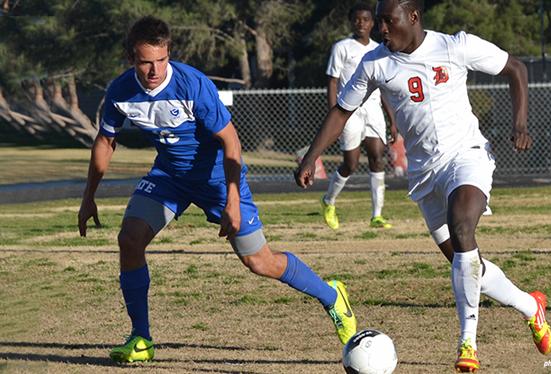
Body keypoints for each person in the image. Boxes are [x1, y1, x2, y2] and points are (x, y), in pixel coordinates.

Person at [77, 16, 356, 363]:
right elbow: (106, 141)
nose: (154, 70)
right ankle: (141, 338)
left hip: (216, 178)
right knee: (129, 239)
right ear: (131, 57)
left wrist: (233, 200)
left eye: (161, 60)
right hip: (169, 177)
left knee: (259, 261)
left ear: (169, 53)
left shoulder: (193, 85)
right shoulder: (120, 91)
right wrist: (88, 197)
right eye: (146, 61)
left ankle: (332, 297)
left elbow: (231, 142)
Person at [295, 1, 551, 372]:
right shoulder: (376, 63)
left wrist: (520, 123)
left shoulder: (454, 46)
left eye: (388, 21)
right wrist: (310, 157)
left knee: (464, 227)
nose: (382, 29)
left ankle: (468, 344)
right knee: (468, 265)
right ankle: (532, 307)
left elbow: (516, 68)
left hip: (468, 156)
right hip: (424, 173)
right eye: (379, 22)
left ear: (412, 18)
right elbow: (341, 111)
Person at [320, 3, 397, 230]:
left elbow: (383, 87)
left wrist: (392, 119)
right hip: (349, 111)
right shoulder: (342, 47)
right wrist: (334, 113)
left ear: (373, 23)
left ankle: (377, 215)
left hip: (373, 110)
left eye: (365, 19)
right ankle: (329, 200)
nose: (361, 23)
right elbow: (332, 80)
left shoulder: (380, 49)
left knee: (377, 157)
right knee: (351, 163)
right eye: (356, 20)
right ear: (351, 22)